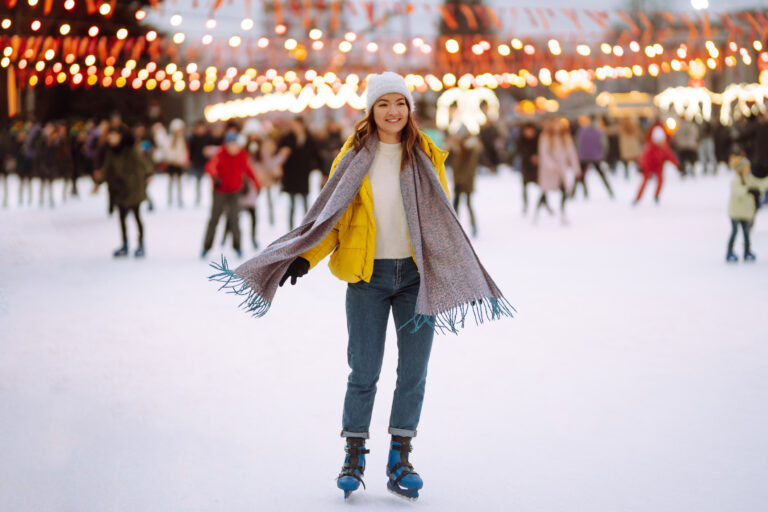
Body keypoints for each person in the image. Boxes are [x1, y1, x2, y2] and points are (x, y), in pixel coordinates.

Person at [207, 72, 513, 502]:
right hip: (367, 279)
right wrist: (305, 256)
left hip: (415, 280)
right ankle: (354, 453)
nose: (393, 112)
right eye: (384, 103)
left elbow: (440, 223)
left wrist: (452, 267)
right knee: (364, 372)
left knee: (413, 374)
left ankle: (400, 458)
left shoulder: (427, 156)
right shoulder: (353, 158)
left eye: (400, 103)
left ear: (410, 109)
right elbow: (332, 219)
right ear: (372, 110)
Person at [201, 131, 260, 258]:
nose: (233, 147)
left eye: (235, 144)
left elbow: (248, 170)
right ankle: (206, 246)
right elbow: (210, 167)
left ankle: (237, 246)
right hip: (220, 191)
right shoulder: (220, 154)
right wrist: (215, 177)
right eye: (230, 144)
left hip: (235, 191)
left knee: (235, 219)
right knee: (214, 218)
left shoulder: (242, 155)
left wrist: (257, 184)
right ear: (226, 145)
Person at [99, 125, 152, 258]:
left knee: (136, 216)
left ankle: (140, 244)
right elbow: (107, 168)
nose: (111, 139)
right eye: (110, 137)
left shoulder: (130, 150)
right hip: (120, 188)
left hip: (133, 188)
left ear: (120, 137)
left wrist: (149, 173)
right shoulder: (111, 151)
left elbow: (143, 163)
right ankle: (125, 244)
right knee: (122, 218)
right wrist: (98, 182)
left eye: (114, 136)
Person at [278, 116, 321, 230]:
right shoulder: (287, 138)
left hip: (303, 174)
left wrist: (314, 167)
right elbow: (279, 153)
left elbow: (316, 155)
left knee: (305, 202)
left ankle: (306, 226)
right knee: (291, 204)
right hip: (291, 174)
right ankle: (291, 227)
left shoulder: (309, 138)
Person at [535, 117, 580, 224]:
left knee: (564, 191)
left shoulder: (566, 138)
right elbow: (544, 154)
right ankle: (536, 214)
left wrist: (575, 168)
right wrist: (552, 166)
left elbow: (571, 153)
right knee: (544, 192)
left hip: (561, 169)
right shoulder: (545, 137)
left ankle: (563, 213)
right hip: (549, 171)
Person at [725, 153, 768, 262]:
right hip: (735, 212)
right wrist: (748, 190)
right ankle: (730, 251)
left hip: (745, 212)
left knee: (746, 233)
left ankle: (747, 251)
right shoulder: (736, 180)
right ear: (740, 169)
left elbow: (760, 183)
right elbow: (737, 191)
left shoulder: (749, 178)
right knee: (734, 232)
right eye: (746, 168)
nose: (748, 170)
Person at [633, 124, 680, 205]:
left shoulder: (664, 147)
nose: (660, 143)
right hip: (649, 166)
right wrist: (641, 166)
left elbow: (670, 156)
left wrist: (677, 165)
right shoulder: (650, 147)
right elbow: (644, 157)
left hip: (658, 166)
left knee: (661, 179)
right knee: (645, 181)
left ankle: (656, 195)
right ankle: (638, 198)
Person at [447, 127, 481, 237]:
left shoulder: (469, 148)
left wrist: (462, 180)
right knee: (456, 205)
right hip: (458, 180)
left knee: (468, 204)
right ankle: (454, 229)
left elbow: (469, 168)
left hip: (466, 180)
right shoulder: (458, 148)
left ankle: (473, 227)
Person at [574, 115, 613, 199]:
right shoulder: (599, 131)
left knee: (580, 175)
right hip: (595, 156)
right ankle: (610, 191)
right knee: (602, 175)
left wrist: (578, 153)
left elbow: (577, 142)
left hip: (583, 156)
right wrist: (603, 154)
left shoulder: (582, 131)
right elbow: (604, 144)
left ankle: (576, 193)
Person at [516, 121, 539, 214]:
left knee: (542, 185)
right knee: (525, 186)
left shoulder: (537, 139)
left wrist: (537, 156)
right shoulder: (521, 140)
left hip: (536, 166)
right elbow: (520, 151)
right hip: (526, 166)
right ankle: (525, 204)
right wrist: (530, 157)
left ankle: (542, 203)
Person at [188, 120, 212, 206]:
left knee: (208, 182)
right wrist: (191, 160)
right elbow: (191, 151)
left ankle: (209, 198)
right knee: (198, 182)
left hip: (207, 163)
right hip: (198, 163)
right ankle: (198, 199)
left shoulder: (208, 138)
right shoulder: (193, 138)